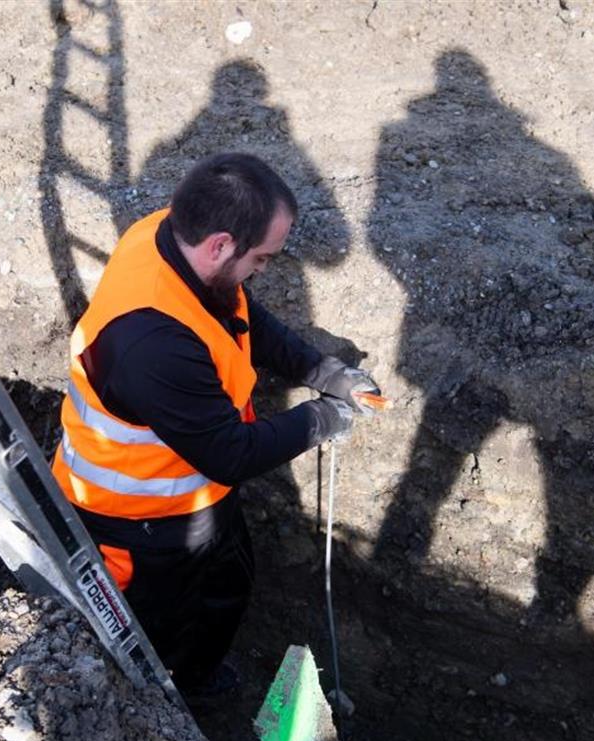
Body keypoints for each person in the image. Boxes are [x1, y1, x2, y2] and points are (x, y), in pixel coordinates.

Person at [50, 152, 379, 698]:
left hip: (194, 491)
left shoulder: (169, 234)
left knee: (226, 587)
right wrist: (322, 417)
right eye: (264, 258)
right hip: (137, 521)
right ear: (220, 245)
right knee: (154, 638)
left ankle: (199, 679)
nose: (266, 269)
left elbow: (242, 313)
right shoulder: (151, 345)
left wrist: (323, 371)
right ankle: (167, 715)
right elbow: (230, 453)